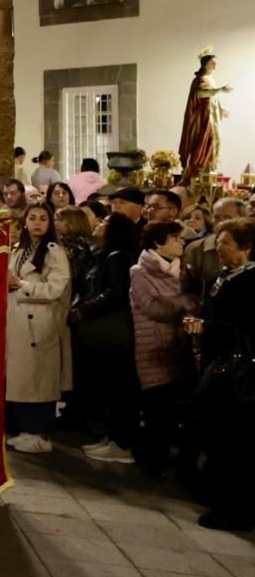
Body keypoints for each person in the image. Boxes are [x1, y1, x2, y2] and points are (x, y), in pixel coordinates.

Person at [183, 219, 255, 531]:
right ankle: (217, 497)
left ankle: (236, 510)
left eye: (226, 243)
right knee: (215, 434)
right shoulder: (219, 277)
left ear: (246, 247)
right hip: (216, 365)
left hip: (240, 371)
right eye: (218, 242)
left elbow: (246, 326)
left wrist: (207, 327)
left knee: (235, 441)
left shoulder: (250, 281)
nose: (219, 249)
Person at [129, 221, 199, 481]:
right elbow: (153, 307)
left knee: (178, 408)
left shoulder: (187, 271)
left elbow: (197, 302)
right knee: (157, 408)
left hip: (182, 347)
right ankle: (153, 461)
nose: (182, 242)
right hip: (153, 347)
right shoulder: (140, 271)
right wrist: (186, 304)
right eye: (175, 238)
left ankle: (175, 462)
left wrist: (183, 304)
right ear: (158, 242)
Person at [71, 211, 142, 464]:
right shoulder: (103, 255)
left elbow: (115, 293)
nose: (99, 224)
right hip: (106, 332)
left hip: (113, 333)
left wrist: (84, 310)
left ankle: (121, 443)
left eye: (105, 222)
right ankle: (112, 438)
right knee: (110, 387)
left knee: (118, 387)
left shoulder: (117, 257)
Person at [5, 203, 72, 453]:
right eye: (32, 217)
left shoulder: (54, 252)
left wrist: (21, 285)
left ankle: (39, 432)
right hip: (17, 321)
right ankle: (23, 428)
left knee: (38, 380)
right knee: (21, 379)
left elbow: (56, 288)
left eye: (43, 218)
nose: (37, 223)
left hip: (39, 323)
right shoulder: (19, 249)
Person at [179, 49, 232, 180]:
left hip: (212, 116)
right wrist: (220, 89)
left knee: (212, 142)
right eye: (213, 62)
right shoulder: (199, 79)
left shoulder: (210, 79)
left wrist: (220, 109)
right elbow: (201, 93)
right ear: (205, 64)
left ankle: (209, 168)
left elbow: (212, 99)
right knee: (203, 142)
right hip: (203, 118)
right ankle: (198, 170)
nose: (215, 65)